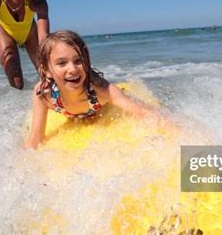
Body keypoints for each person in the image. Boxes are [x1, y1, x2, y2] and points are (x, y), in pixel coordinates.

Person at [26, 30, 166, 150]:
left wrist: (183, 140)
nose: (73, 69)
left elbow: (146, 113)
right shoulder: (44, 95)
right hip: (72, 114)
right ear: (47, 71)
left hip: (101, 108)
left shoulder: (100, 90)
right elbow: (36, 138)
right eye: (62, 63)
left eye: (78, 61)